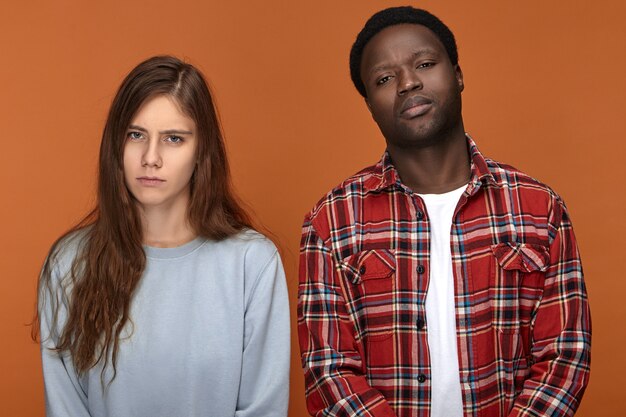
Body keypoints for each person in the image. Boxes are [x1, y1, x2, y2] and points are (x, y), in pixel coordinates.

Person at [298, 7, 590, 417]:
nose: (408, 82)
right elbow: (330, 375)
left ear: (457, 74)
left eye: (424, 63)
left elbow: (565, 357)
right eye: (384, 78)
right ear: (369, 104)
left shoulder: (538, 208)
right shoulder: (332, 221)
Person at [35, 55, 290, 417]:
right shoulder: (68, 263)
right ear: (115, 145)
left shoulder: (252, 263)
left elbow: (263, 408)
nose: (150, 158)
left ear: (201, 150)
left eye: (173, 138)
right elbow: (65, 408)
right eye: (136, 135)